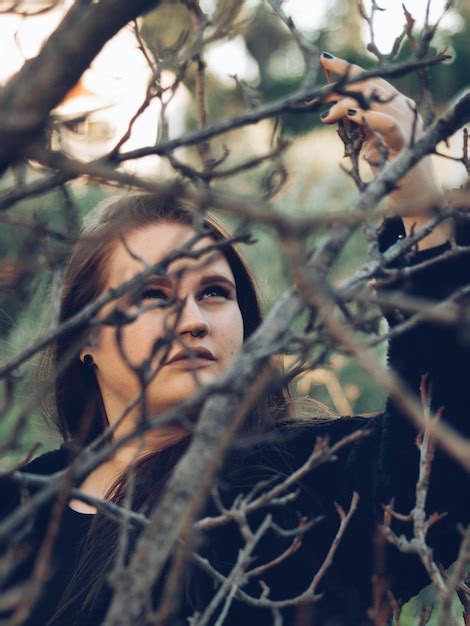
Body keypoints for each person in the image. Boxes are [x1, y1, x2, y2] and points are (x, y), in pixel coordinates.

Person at [1, 53, 469, 626]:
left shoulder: (313, 485)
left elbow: (443, 458)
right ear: (86, 340)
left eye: (215, 293)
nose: (193, 318)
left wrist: (421, 206)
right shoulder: (18, 510)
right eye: (152, 295)